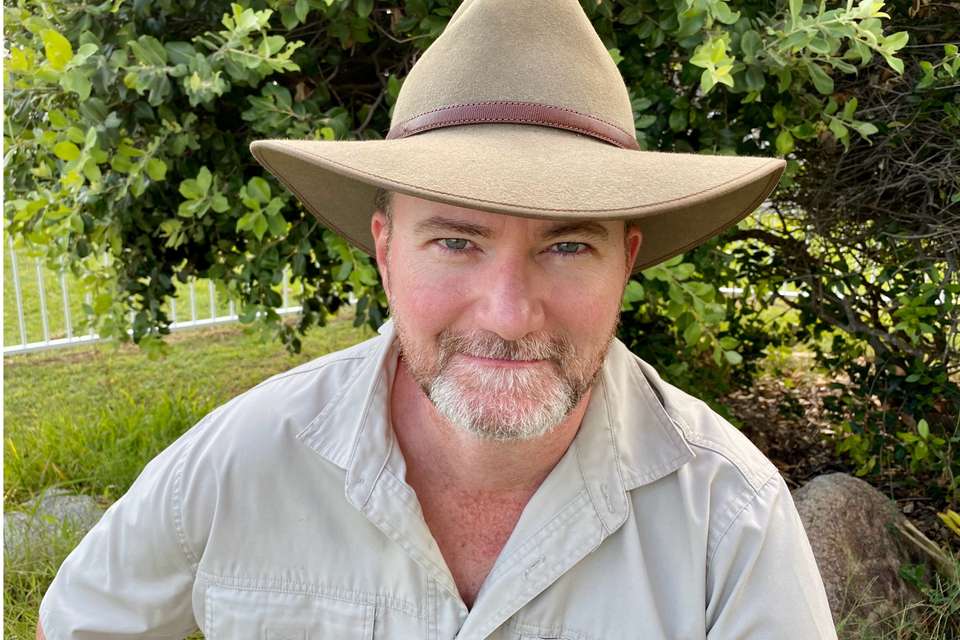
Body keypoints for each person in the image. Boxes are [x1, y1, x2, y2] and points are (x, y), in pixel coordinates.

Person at [38, 0, 837, 637]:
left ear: (626, 261)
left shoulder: (727, 520)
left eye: (566, 247)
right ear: (385, 252)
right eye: (456, 241)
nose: (511, 314)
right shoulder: (242, 462)